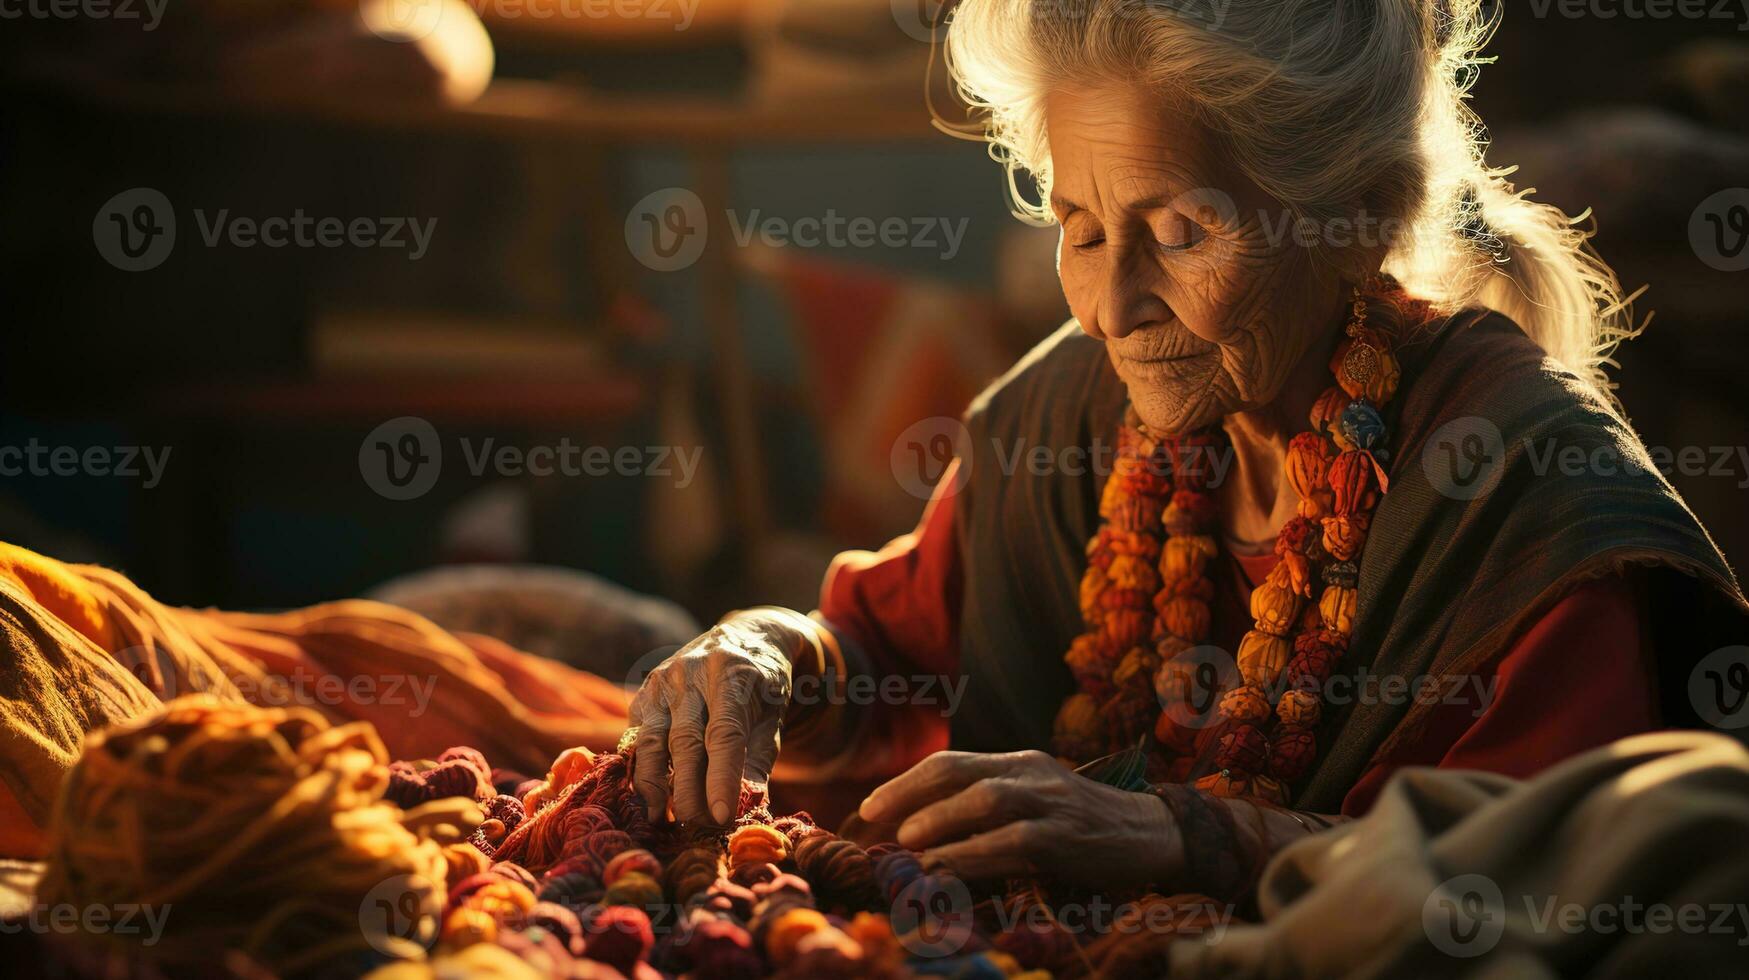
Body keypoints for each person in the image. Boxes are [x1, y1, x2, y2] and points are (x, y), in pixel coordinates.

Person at [624, 0, 1749, 901]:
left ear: (1362, 215)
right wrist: (766, 655)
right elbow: (882, 653)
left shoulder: (1525, 495)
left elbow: (1556, 879)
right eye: (1082, 229)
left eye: (1179, 232)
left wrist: (1183, 836)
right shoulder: (1064, 415)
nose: (1113, 307)